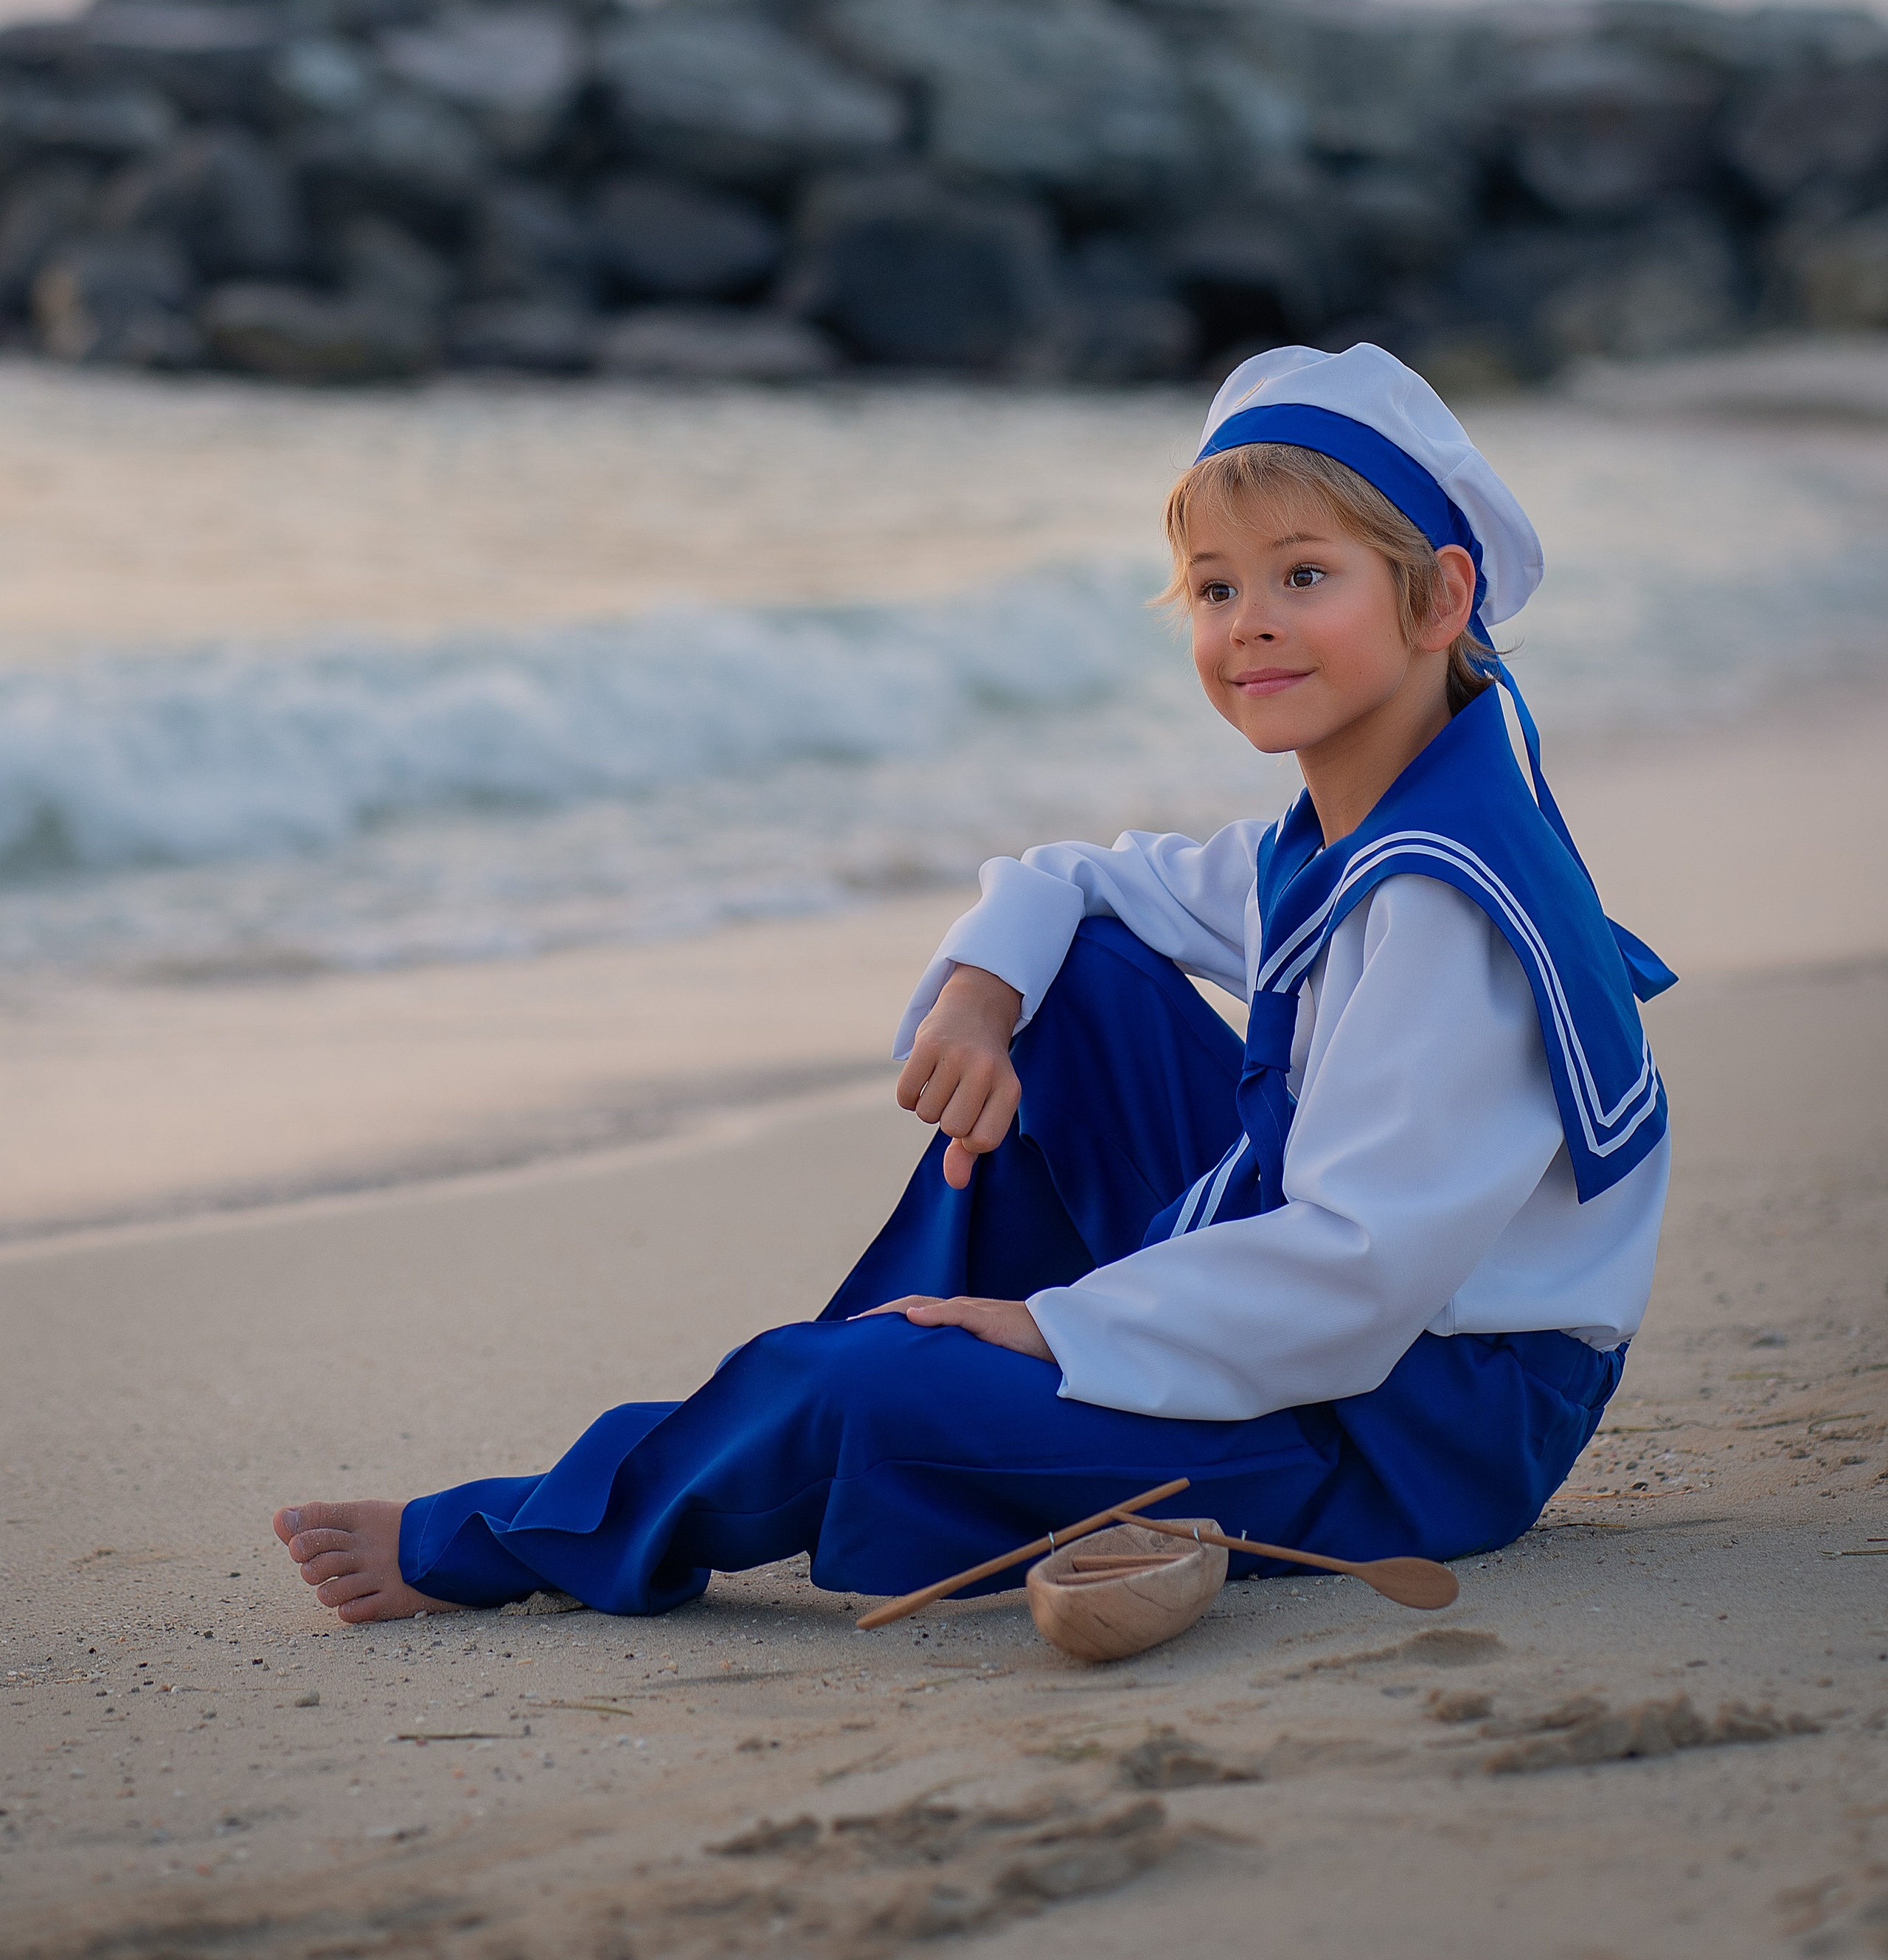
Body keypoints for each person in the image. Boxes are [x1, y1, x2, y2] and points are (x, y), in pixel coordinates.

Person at [273, 343, 1673, 1625]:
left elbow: (1362, 1267)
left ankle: (520, 1529)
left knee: (866, 1391)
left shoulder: (1443, 900)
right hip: (1360, 1343)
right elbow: (1077, 880)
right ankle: (952, 1376)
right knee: (1071, 977)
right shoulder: (1365, 825)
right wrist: (979, 999)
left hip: (1414, 1431)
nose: (1251, 624)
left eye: (1306, 577)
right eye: (1216, 588)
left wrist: (1049, 1322)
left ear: (1442, 596)